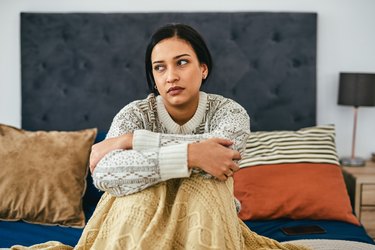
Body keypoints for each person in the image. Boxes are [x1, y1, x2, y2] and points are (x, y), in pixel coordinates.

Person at [12, 23, 309, 250]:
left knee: (205, 189)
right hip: (138, 217)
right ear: (153, 77)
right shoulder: (135, 114)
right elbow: (104, 175)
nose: (171, 76)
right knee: (138, 193)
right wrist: (193, 155)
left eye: (182, 62)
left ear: (203, 68)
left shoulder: (229, 113)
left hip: (203, 216)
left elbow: (220, 159)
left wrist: (132, 142)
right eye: (159, 67)